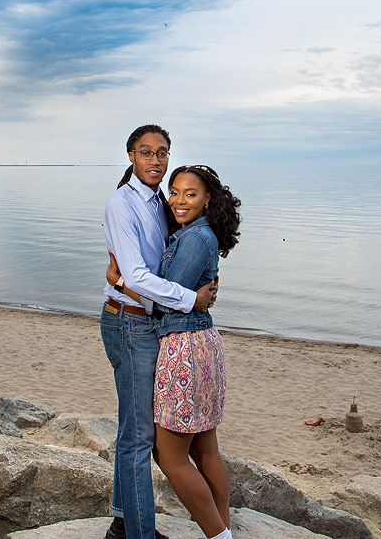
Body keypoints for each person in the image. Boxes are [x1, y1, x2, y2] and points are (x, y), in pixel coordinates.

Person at [101, 125, 217, 539]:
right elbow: (135, 274)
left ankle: (123, 522)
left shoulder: (158, 202)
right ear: (131, 155)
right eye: (146, 152)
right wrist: (191, 299)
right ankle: (140, 535)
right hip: (130, 321)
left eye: (162, 152)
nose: (156, 160)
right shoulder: (122, 203)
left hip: (143, 320)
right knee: (138, 436)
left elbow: (165, 259)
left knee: (132, 427)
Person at [149, 164, 240, 539]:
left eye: (190, 194)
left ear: (207, 199)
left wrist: (121, 281)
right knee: (205, 449)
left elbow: (169, 297)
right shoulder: (198, 234)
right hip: (201, 345)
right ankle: (223, 528)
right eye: (174, 192)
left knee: (169, 456)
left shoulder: (194, 239)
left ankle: (219, 536)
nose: (179, 201)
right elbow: (187, 295)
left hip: (183, 348)